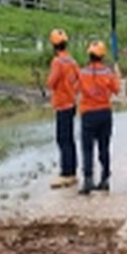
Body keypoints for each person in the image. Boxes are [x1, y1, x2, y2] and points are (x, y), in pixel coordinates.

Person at [77, 40, 120, 195]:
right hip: (104, 113)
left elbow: (76, 88)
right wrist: (117, 75)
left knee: (87, 148)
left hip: (88, 114)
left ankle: (88, 180)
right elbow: (116, 90)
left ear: (89, 55)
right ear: (102, 56)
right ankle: (105, 179)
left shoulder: (82, 73)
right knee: (104, 148)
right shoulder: (108, 73)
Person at [46, 28, 79, 188]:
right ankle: (72, 171)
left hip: (61, 105)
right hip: (72, 103)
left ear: (54, 45)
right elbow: (79, 80)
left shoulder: (57, 62)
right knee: (70, 140)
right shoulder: (72, 61)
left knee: (63, 139)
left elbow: (51, 83)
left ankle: (67, 174)